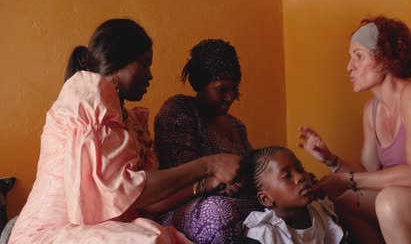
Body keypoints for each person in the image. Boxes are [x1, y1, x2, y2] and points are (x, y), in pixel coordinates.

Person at [8, 19, 242, 244]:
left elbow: (146, 202)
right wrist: (208, 164)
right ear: (117, 62)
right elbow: (123, 189)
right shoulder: (87, 98)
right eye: (144, 63)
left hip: (104, 226)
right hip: (54, 232)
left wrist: (204, 185)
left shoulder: (128, 121)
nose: (150, 75)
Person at [298, 16, 411, 243]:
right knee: (346, 201)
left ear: (384, 58)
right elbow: (369, 175)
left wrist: (349, 180)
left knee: (390, 201)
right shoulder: (371, 110)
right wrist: (331, 160)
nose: (349, 66)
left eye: (358, 56)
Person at [153, 39, 261, 244]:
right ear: (200, 84)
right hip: (184, 204)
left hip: (236, 199)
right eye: (221, 89)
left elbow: (252, 168)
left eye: (234, 89)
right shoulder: (180, 111)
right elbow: (181, 174)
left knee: (289, 202)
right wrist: (218, 184)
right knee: (220, 213)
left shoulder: (237, 126)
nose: (230, 97)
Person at [243, 146, 345, 244]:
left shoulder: (318, 211)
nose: (301, 176)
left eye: (300, 169)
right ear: (266, 199)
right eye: (287, 176)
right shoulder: (263, 233)